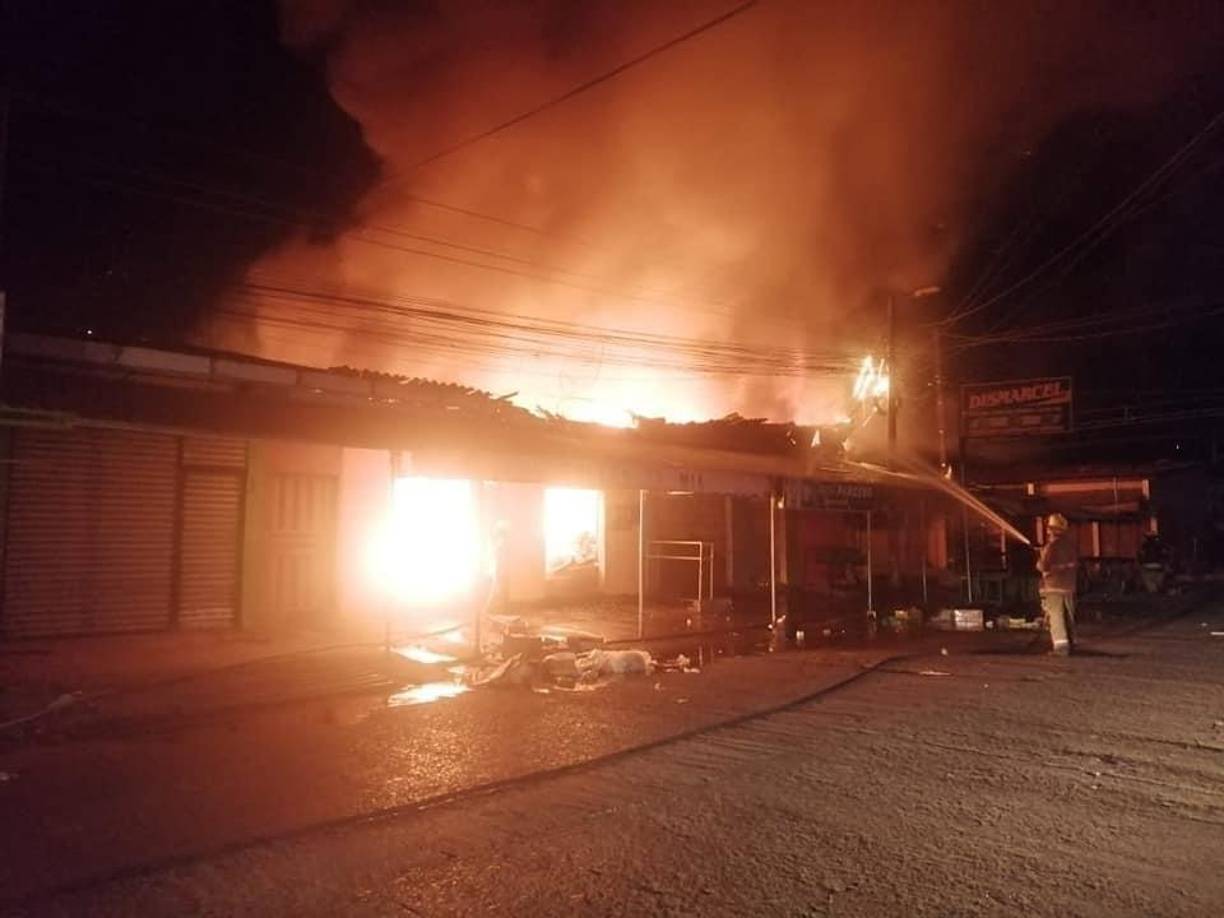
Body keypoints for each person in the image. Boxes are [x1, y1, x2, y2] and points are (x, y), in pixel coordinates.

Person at [1036, 513, 1079, 655]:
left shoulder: (1051, 546)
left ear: (1052, 530)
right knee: (1068, 616)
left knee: (1056, 617)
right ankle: (1070, 643)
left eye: (1049, 528)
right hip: (1069, 586)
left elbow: (1043, 566)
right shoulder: (1071, 545)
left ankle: (1061, 647)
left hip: (1054, 587)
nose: (1047, 531)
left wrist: (1040, 559)